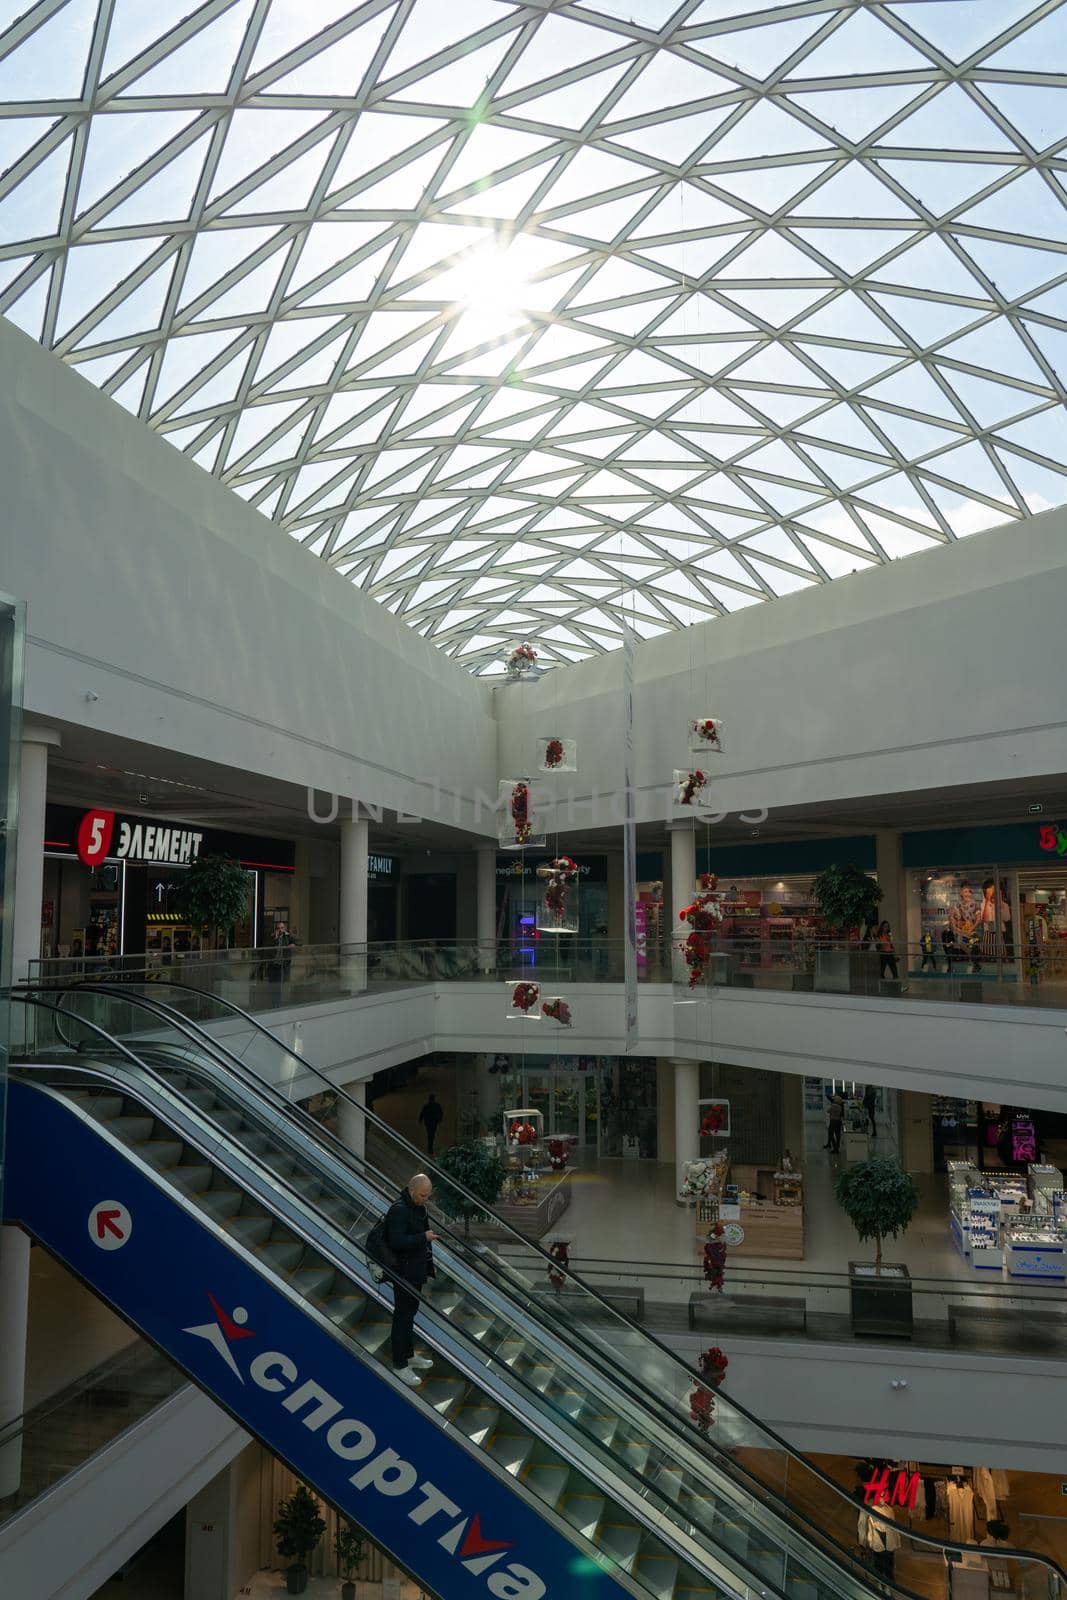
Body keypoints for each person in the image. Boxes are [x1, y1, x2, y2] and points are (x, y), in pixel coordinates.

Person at [384, 1173, 438, 1388]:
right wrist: (423, 1238)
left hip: (415, 1271)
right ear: (412, 1191)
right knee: (402, 1317)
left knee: (409, 1314)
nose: (425, 1199)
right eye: (423, 1195)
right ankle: (399, 1365)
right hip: (403, 1272)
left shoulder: (418, 1208)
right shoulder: (399, 1210)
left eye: (428, 1196)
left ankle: (408, 1355)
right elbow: (396, 1241)